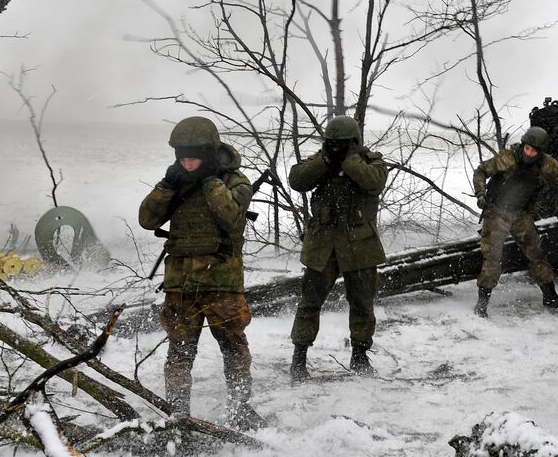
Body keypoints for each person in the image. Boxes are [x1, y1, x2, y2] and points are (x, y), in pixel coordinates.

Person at [138, 116, 262, 429]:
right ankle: (178, 414)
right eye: (182, 158)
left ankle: (240, 409)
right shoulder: (177, 181)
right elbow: (147, 219)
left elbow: (230, 218)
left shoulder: (235, 182)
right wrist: (166, 185)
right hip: (182, 285)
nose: (187, 163)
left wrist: (210, 180)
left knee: (234, 347)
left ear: (207, 154)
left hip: (222, 283)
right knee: (180, 351)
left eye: (193, 158)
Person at [287, 115, 388, 380]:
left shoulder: (371, 162)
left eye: (341, 143)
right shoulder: (321, 161)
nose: (336, 147)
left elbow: (373, 182)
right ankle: (299, 358)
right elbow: (296, 180)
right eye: (331, 143)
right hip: (323, 245)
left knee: (362, 303)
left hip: (359, 244)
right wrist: (325, 161)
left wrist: (350, 159)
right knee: (309, 302)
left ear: (354, 142)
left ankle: (360, 355)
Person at [471, 126, 558, 316]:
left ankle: (550, 296)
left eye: (534, 151)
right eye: (527, 148)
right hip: (497, 212)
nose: (529, 153)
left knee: (537, 254)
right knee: (493, 258)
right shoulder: (507, 159)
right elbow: (480, 171)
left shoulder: (544, 163)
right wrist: (480, 194)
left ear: (539, 152)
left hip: (519, 214)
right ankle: (482, 304)